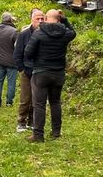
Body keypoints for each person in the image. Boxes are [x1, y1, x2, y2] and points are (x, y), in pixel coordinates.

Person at [24, 9, 76, 142]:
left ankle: (38, 134)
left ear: (46, 18)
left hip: (41, 72)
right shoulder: (65, 33)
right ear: (58, 19)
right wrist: (64, 19)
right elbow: (73, 32)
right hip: (58, 72)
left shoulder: (39, 33)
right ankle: (56, 131)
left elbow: (28, 52)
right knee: (55, 102)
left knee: (39, 104)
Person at [14, 9, 44, 132]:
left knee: (36, 99)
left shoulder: (45, 34)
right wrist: (21, 68)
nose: (40, 21)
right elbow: (17, 53)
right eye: (38, 19)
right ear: (32, 19)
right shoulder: (24, 34)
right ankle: (21, 121)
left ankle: (32, 121)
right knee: (25, 98)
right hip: (27, 71)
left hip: (40, 71)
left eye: (42, 18)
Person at [0, 12, 18, 108]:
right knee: (11, 82)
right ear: (10, 19)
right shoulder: (14, 31)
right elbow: (17, 45)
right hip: (11, 61)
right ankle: (9, 102)